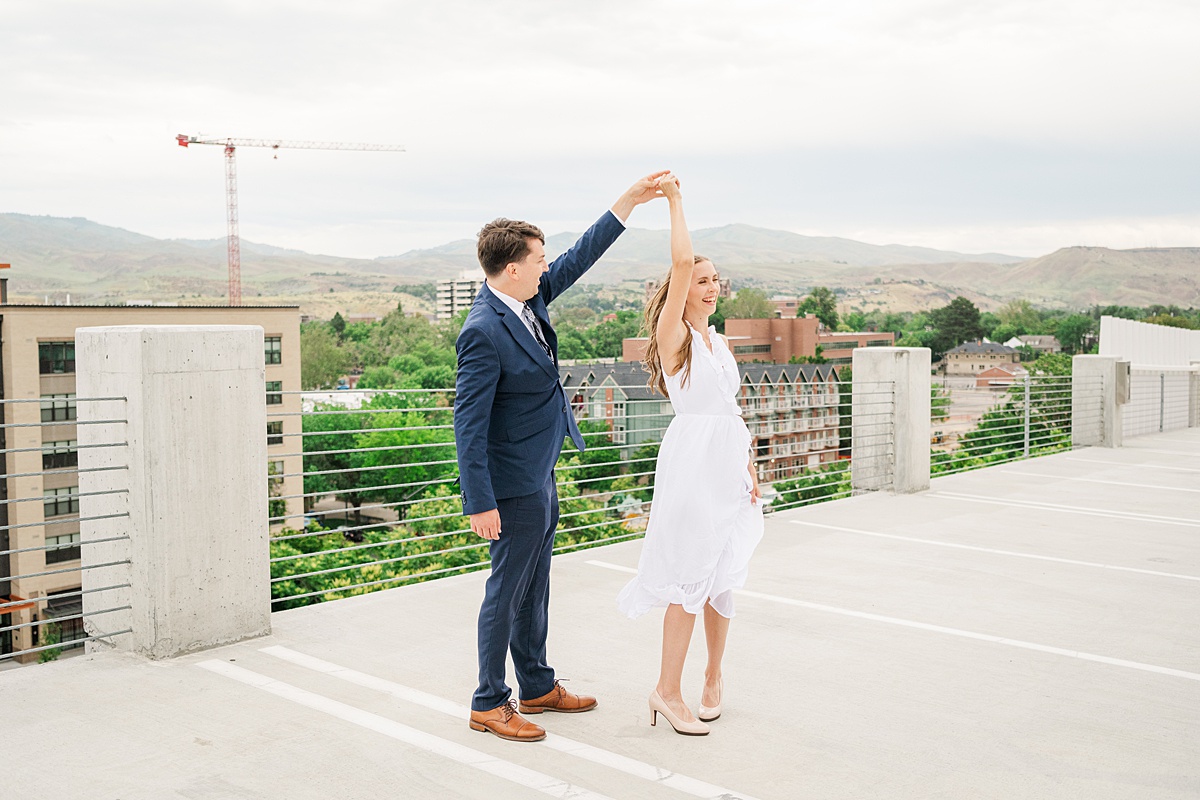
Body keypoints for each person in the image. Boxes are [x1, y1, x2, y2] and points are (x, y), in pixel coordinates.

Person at [455, 171, 669, 743]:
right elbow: (467, 425)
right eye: (539, 259)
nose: (548, 266)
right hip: (511, 484)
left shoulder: (528, 298)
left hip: (540, 469)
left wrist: (628, 202)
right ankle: (487, 701)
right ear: (513, 268)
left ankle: (536, 685)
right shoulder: (482, 330)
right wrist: (480, 502)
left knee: (536, 584)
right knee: (506, 588)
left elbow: (580, 257)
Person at [616, 173, 765, 736]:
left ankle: (713, 678)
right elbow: (679, 265)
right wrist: (676, 201)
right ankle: (665, 691)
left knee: (722, 576)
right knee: (687, 577)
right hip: (691, 468)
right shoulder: (673, 335)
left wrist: (748, 467)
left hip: (728, 464)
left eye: (715, 279)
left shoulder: (719, 341)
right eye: (701, 279)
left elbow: (731, 412)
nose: (710, 286)